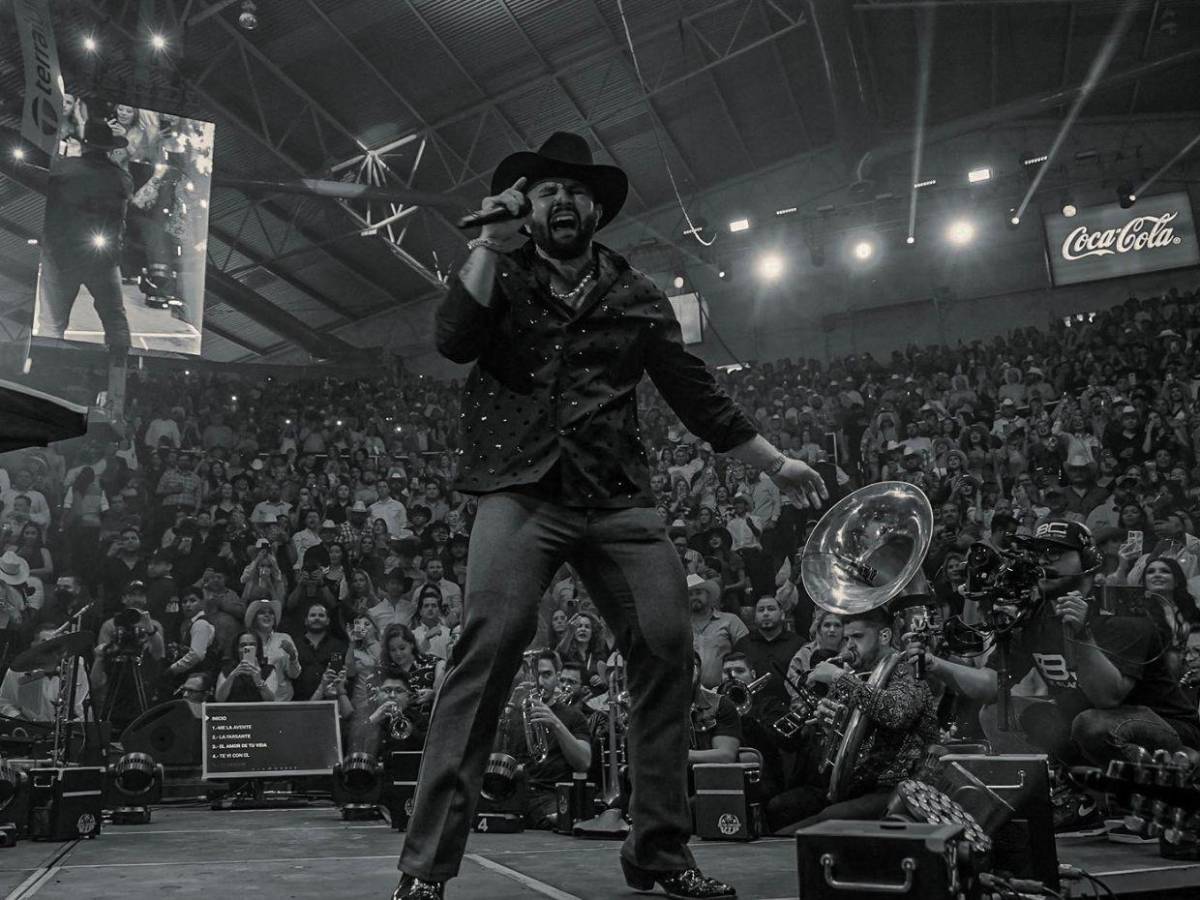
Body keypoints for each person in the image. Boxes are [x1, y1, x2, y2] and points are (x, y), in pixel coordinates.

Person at [394, 131, 827, 900]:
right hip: (521, 492)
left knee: (667, 646)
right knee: (486, 647)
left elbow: (693, 390)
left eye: (577, 191)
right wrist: (487, 247)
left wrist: (773, 461)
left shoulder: (636, 295)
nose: (563, 200)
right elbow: (453, 339)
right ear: (526, 207)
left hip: (618, 496)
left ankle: (658, 851)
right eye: (547, 190)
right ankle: (426, 869)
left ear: (597, 210)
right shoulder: (501, 274)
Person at [926, 520, 1200, 829]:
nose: (1043, 561)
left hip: (1164, 726)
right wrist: (935, 664)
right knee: (997, 713)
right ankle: (1078, 797)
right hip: (1091, 725)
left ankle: (1167, 791)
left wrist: (1080, 634)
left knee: (1090, 723)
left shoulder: (1120, 610)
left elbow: (1108, 697)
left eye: (1055, 553)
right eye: (1039, 553)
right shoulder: (1036, 616)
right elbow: (991, 685)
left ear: (1087, 560)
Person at [765, 607, 938, 833]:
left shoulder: (906, 668)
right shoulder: (860, 677)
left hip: (900, 788)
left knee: (826, 820)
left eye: (857, 637)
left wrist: (838, 677)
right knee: (779, 808)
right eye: (846, 639)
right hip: (858, 786)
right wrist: (829, 725)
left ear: (884, 636)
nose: (849, 646)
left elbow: (896, 713)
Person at [37, 119, 134, 351]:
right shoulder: (121, 178)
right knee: (115, 319)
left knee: (52, 323)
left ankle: (45, 365)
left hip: (60, 256)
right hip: (102, 259)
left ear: (84, 144)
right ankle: (122, 366)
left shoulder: (61, 170)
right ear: (109, 148)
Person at [495, 650, 591, 829]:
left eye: (546, 675)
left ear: (557, 677)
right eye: (536, 675)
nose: (540, 682)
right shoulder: (514, 713)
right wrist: (509, 708)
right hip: (515, 795)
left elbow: (584, 762)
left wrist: (555, 723)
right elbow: (493, 758)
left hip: (551, 796)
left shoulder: (573, 716)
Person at [689, 574, 749, 689]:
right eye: (690, 594)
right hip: (689, 693)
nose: (694, 597)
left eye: (698, 593)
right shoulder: (682, 627)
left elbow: (747, 652)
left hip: (724, 692)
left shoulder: (731, 621)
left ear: (708, 595)